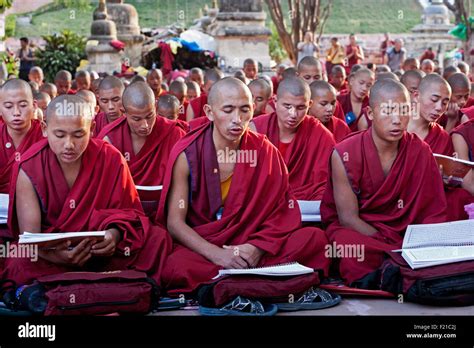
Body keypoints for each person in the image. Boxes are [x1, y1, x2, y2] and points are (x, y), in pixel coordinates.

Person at [156, 77, 331, 300]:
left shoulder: (264, 150)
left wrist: (257, 248)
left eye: (244, 110)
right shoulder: (188, 153)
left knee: (314, 239)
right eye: (228, 110)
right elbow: (175, 223)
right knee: (175, 266)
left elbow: (281, 213)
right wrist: (218, 255)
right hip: (207, 248)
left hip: (253, 246)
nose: (237, 120)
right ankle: (261, 283)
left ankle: (229, 284)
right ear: (209, 112)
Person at [2, 95, 172, 285]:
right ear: (44, 129)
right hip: (51, 256)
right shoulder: (29, 166)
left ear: (91, 130)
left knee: (158, 240)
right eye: (59, 135)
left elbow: (131, 214)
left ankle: (69, 286)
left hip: (102, 253)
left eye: (78, 135)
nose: (69, 145)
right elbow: (30, 239)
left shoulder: (110, 157)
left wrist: (114, 236)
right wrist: (60, 257)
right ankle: (108, 284)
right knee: (19, 260)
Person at [321, 79, 447, 287]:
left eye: (403, 111)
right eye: (388, 111)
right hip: (366, 233)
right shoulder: (345, 153)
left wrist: (415, 242)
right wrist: (392, 245)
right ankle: (399, 270)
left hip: (406, 236)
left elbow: (432, 212)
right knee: (347, 242)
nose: (397, 120)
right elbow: (348, 219)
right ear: (370, 114)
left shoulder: (420, 151)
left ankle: (392, 272)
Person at [99, 82, 186, 216]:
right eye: (136, 119)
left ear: (155, 106)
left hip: (167, 212)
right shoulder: (110, 138)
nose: (145, 125)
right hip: (125, 214)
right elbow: (104, 192)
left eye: (149, 116)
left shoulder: (174, 134)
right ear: (124, 112)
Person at [251, 77, 335, 200]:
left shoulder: (321, 135)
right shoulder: (255, 128)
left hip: (305, 207)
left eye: (301, 108)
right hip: (263, 203)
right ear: (275, 101)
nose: (293, 114)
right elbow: (246, 179)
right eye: (287, 106)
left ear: (309, 105)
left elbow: (326, 183)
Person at [0, 79, 44, 194]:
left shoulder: (46, 135)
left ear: (34, 106)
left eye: (23, 105)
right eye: (9, 106)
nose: (16, 112)